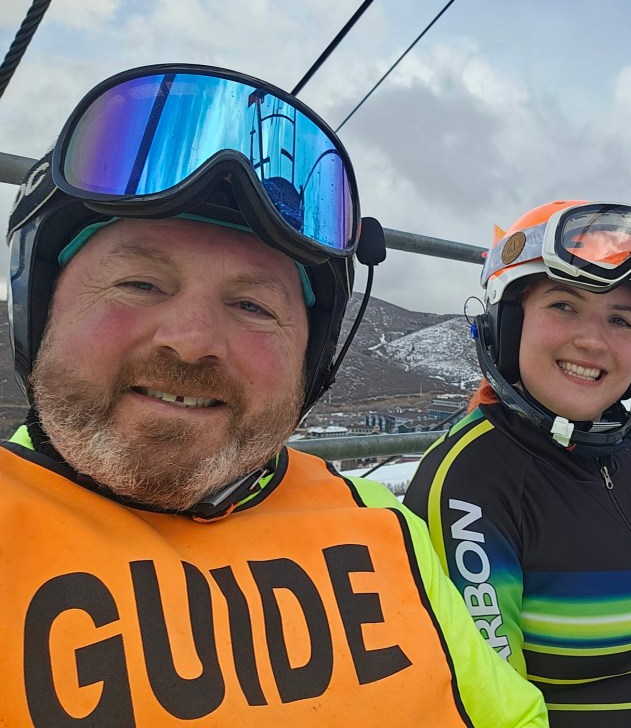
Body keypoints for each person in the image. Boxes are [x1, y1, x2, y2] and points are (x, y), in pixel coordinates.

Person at [0, 63, 546, 726]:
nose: (192, 340)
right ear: (40, 305)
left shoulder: (382, 528)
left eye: (252, 304)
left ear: (312, 360)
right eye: (140, 283)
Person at [404, 200, 631, 727]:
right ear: (507, 322)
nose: (593, 340)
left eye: (620, 320)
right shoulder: (472, 482)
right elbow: (494, 707)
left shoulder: (629, 463)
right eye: (564, 305)